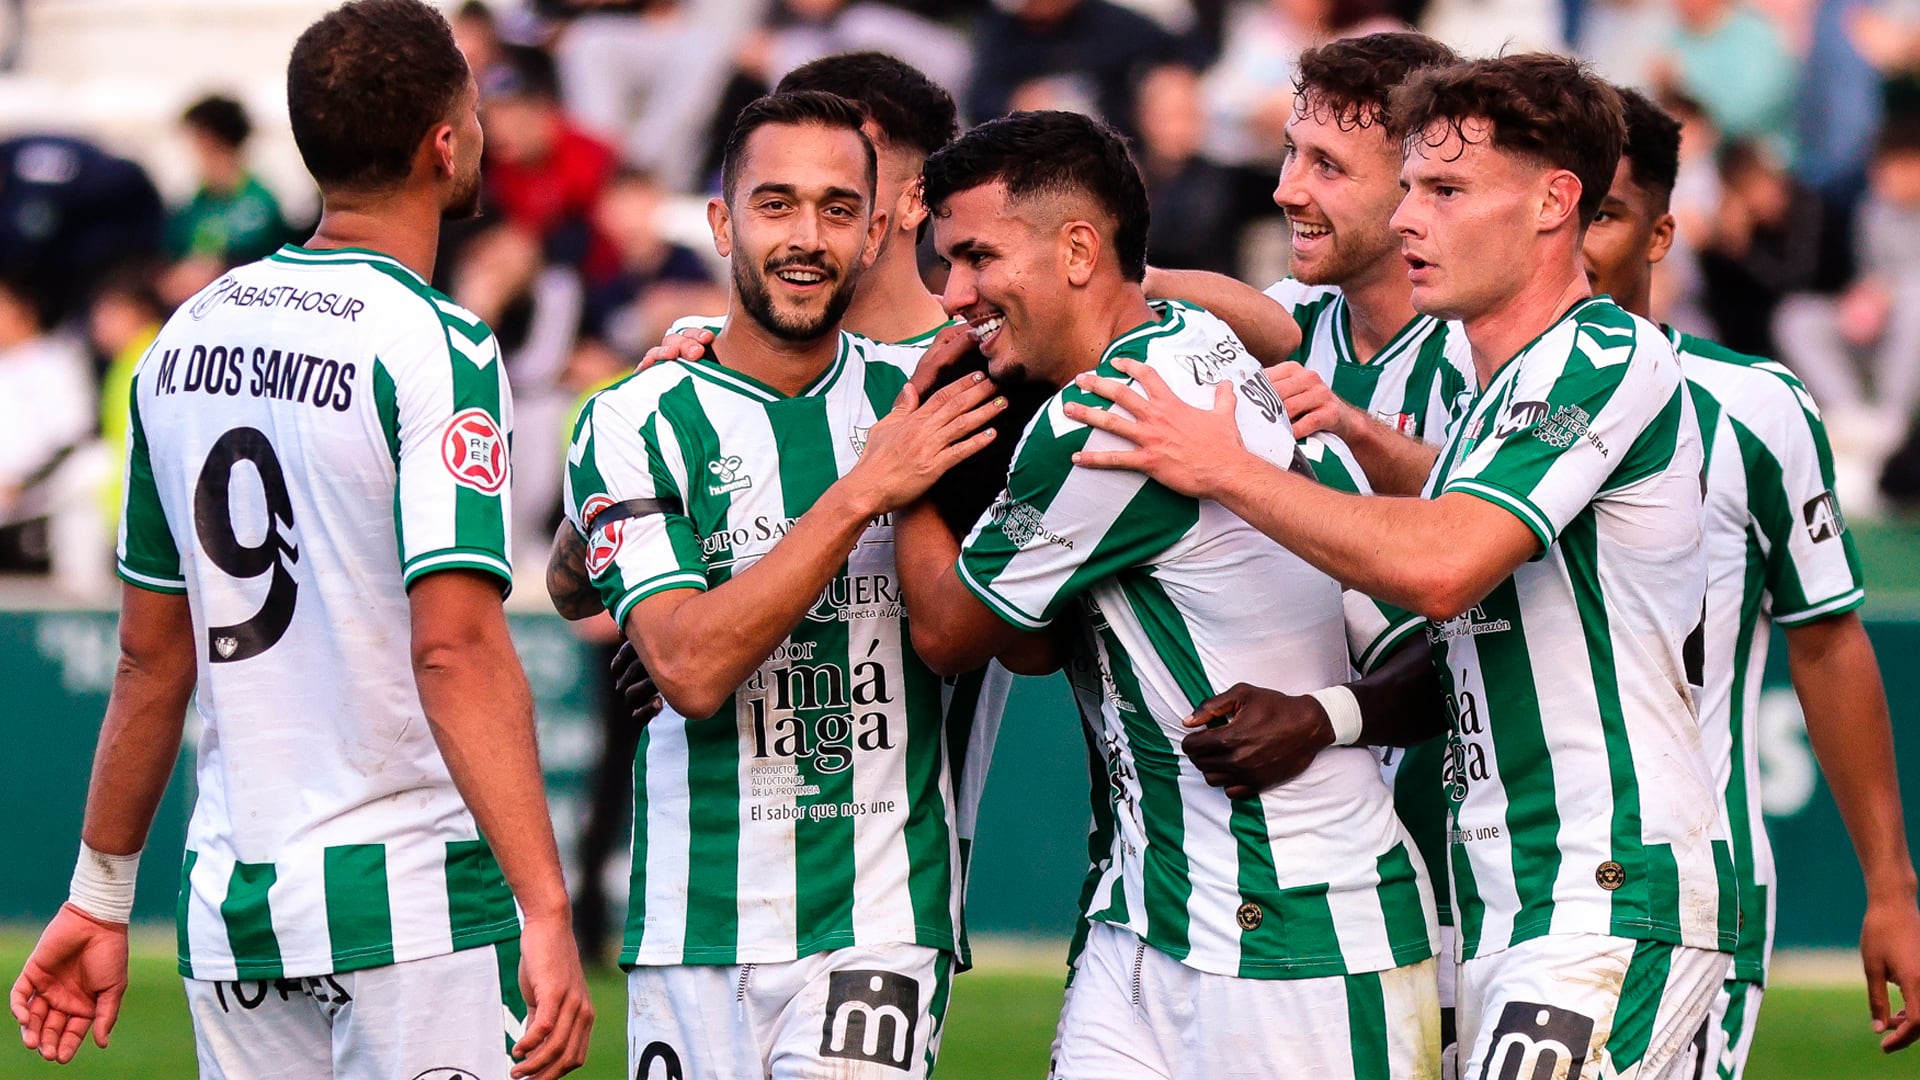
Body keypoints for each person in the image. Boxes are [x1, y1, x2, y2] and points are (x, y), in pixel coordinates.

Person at [1065, 55, 1735, 1079]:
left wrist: (1223, 466)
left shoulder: (1603, 356)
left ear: (1557, 203)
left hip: (1610, 893)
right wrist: (1332, 714)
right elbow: (1475, 649)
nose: (1410, 218)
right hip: (1503, 897)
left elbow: (1442, 568)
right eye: (1411, 186)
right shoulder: (1488, 396)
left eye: (1445, 191)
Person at [7, 2, 593, 1076]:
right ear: (446, 143)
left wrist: (99, 897)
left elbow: (149, 656)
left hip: (235, 905)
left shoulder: (184, 336)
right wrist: (548, 907)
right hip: (410, 904)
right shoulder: (438, 343)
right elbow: (455, 645)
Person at [895, 109, 1440, 1079]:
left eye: (977, 258)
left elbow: (946, 632)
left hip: (1291, 931)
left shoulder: (1106, 412)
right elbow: (1037, 643)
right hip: (1153, 910)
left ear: (1076, 250)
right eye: (947, 263)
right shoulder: (1188, 333)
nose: (956, 295)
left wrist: (902, 459)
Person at [555, 90, 1009, 1079]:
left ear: (881, 225)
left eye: (839, 209)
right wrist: (862, 494)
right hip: (692, 921)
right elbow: (686, 666)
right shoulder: (638, 416)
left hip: (881, 918)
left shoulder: (931, 400)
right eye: (776, 205)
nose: (808, 238)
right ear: (720, 222)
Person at [1582, 85, 1920, 1067]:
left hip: (1677, 900)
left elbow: (1826, 639)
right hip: (1465, 894)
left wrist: (1892, 888)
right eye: (1551, 212)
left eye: (1604, 214)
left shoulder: (1749, 408)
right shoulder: (1443, 398)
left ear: (1660, 236)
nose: (1572, 244)